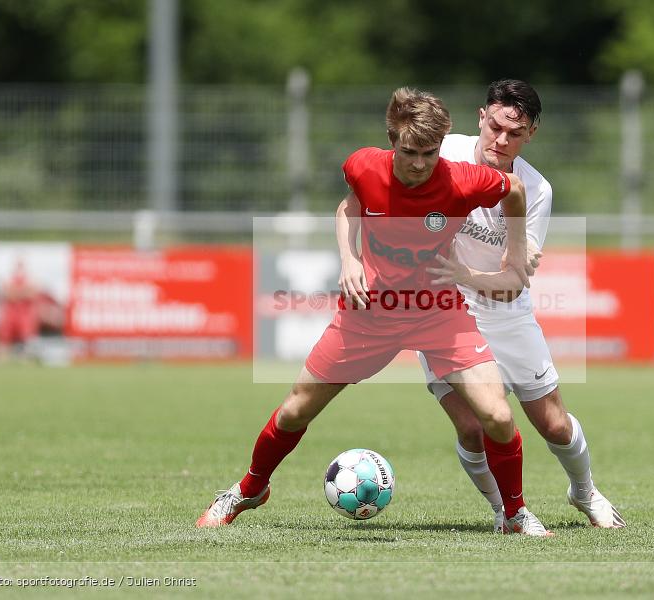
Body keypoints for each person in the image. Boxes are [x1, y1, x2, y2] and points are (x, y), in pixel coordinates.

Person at [198, 87, 553, 536]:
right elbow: (350, 206)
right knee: (293, 412)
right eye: (409, 152)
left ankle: (516, 514)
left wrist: (516, 256)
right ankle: (248, 489)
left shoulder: (464, 179)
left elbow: (516, 190)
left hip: (438, 311)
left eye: (430, 152)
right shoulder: (363, 165)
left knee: (498, 416)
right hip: (369, 313)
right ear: (392, 141)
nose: (420, 164)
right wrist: (350, 260)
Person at [418, 79, 626, 529]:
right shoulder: (441, 153)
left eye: (515, 133)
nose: (501, 140)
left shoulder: (535, 189)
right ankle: (507, 512)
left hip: (504, 311)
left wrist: (469, 273)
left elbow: (512, 284)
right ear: (480, 117)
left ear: (531, 134)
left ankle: (585, 492)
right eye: (495, 127)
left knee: (553, 423)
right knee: (474, 427)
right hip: (442, 313)